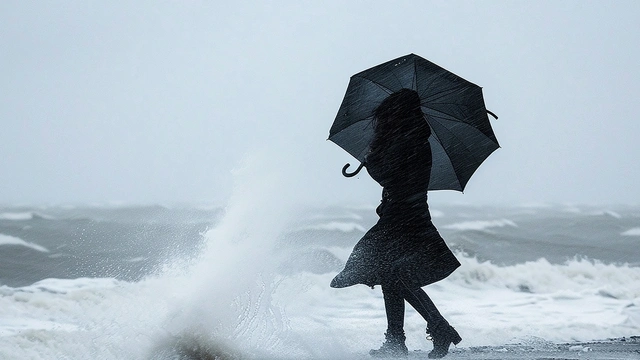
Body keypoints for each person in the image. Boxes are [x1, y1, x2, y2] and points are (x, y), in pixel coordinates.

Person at [330, 89, 462, 359]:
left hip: (405, 216)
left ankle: (405, 338)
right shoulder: (411, 138)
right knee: (391, 274)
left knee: (384, 271)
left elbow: (391, 178)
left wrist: (372, 162)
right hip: (404, 214)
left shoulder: (411, 141)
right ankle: (419, 334)